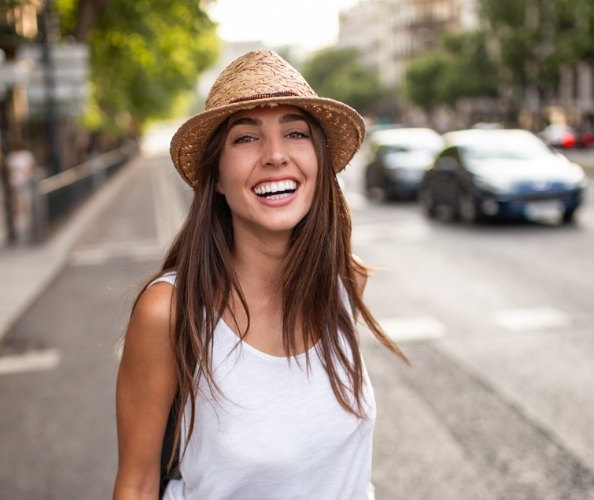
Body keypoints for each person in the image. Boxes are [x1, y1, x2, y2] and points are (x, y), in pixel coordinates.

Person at [113, 50, 407, 500]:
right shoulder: (170, 312)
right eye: (246, 138)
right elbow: (135, 485)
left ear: (319, 162)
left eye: (295, 132)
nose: (275, 155)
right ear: (215, 176)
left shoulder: (343, 281)